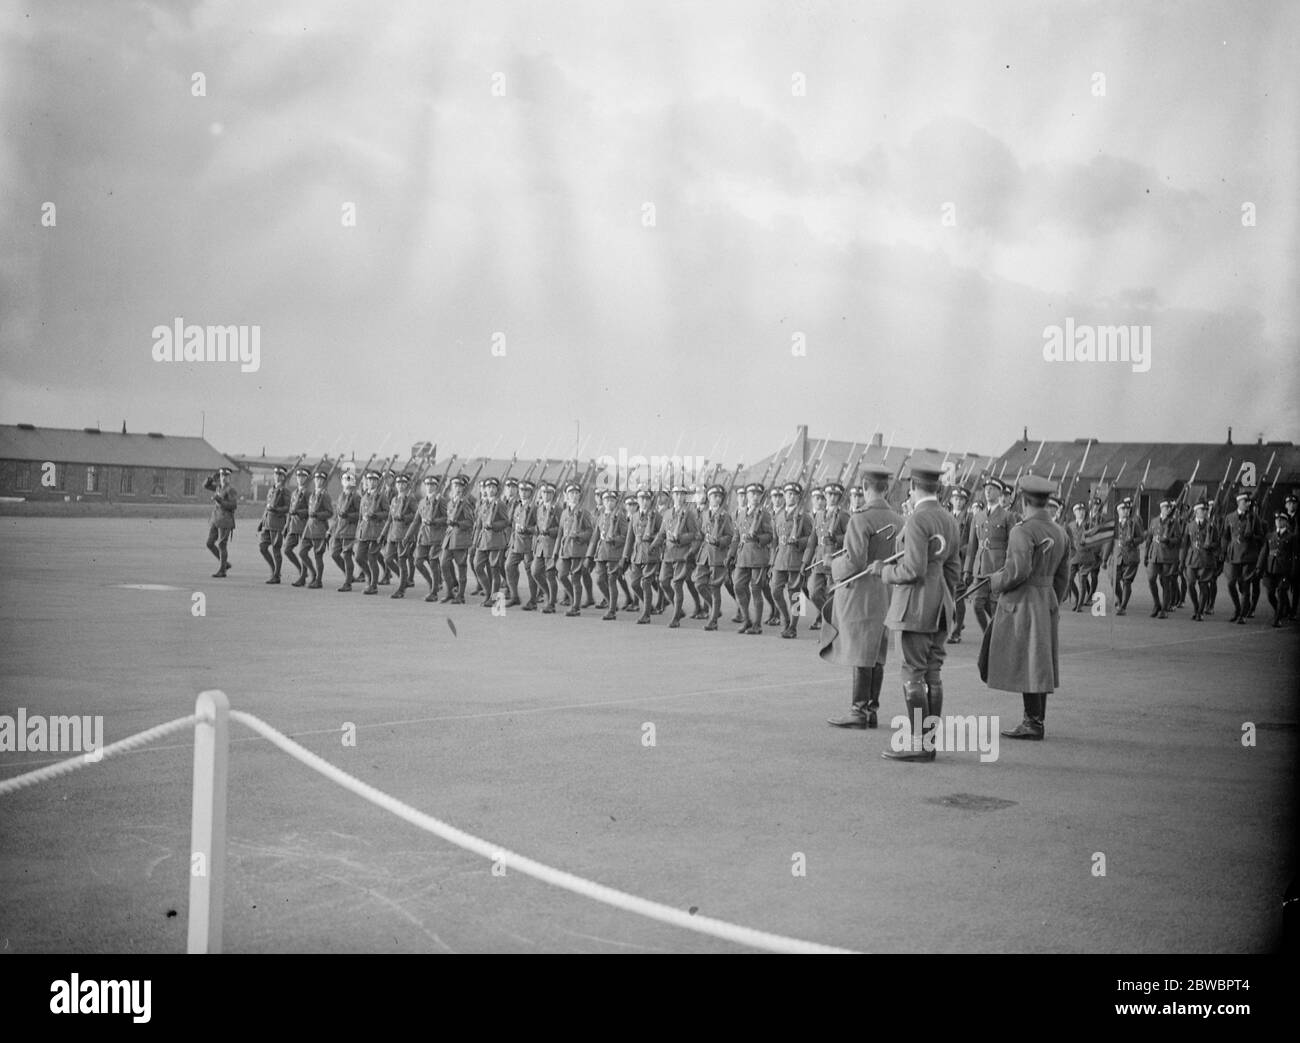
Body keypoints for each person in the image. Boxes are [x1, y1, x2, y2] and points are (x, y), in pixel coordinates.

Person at [867, 463, 961, 762]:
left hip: (915, 606)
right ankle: (928, 743)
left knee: (912, 673)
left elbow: (913, 569)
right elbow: (954, 570)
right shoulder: (948, 519)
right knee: (932, 672)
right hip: (941, 604)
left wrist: (884, 570)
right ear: (938, 488)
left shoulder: (918, 519)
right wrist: (943, 596)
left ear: (912, 488)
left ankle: (920, 744)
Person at [985, 475, 1071, 741]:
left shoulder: (1022, 531)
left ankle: (1033, 722)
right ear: (1046, 502)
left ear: (1024, 499)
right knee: (1039, 661)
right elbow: (1063, 577)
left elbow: (1017, 571)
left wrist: (994, 581)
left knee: (1029, 662)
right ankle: (1035, 720)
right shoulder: (1060, 531)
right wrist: (1050, 599)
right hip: (1046, 600)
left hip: (1024, 602)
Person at [822, 463, 903, 729]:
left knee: (859, 651)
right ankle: (871, 709)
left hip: (861, 593)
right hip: (885, 592)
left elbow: (854, 562)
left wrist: (831, 565)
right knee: (876, 652)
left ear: (865, 487)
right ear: (886, 488)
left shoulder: (861, 518)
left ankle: (858, 711)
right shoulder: (898, 518)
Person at [964, 478, 1017, 633]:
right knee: (977, 605)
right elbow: (972, 545)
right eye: (986, 488)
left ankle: (996, 637)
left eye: (992, 489)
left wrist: (1009, 568)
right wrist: (967, 569)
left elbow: (1012, 545)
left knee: (995, 606)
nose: (988, 491)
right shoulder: (978, 516)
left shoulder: (1007, 516)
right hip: (980, 568)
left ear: (1000, 493)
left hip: (997, 569)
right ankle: (989, 633)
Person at [651, 484, 701, 628]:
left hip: (682, 554)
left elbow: (695, 534)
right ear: (672, 496)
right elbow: (661, 533)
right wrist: (653, 545)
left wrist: (681, 538)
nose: (679, 497)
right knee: (663, 582)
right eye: (676, 494)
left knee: (677, 585)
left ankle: (676, 617)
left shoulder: (689, 513)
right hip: (668, 554)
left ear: (685, 496)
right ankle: (678, 609)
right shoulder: (667, 513)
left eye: (681, 494)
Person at [771, 482, 813, 638]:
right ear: (784, 495)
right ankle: (785, 617)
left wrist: (799, 542)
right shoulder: (778, 515)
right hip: (780, 560)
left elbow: (810, 539)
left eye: (794, 494)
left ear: (799, 497)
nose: (791, 496)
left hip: (796, 559)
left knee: (795, 595)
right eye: (788, 494)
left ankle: (793, 626)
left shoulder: (805, 517)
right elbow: (774, 540)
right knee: (775, 590)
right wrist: (771, 561)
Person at [693, 484, 735, 631]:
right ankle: (714, 609)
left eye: (719, 496)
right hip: (705, 555)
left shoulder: (725, 516)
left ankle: (713, 620)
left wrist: (719, 541)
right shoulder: (705, 514)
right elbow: (701, 531)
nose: (716, 499)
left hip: (718, 555)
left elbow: (730, 536)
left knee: (715, 587)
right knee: (698, 583)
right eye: (713, 496)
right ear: (709, 498)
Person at [732, 483, 773, 635]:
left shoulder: (765, 514)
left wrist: (758, 537)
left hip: (758, 555)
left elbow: (770, 535)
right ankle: (746, 619)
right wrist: (731, 554)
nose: (755, 496)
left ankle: (757, 624)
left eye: (757, 494)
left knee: (756, 590)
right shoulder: (741, 513)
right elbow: (736, 536)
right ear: (747, 495)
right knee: (737, 585)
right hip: (742, 556)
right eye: (751, 494)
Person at [808, 482, 849, 633]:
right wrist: (805, 561)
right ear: (824, 496)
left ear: (839, 497)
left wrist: (836, 539)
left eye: (835, 495)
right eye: (829, 494)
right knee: (813, 591)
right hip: (819, 560)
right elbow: (813, 540)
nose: (832, 497)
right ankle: (831, 619)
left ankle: (831, 627)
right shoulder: (819, 515)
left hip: (835, 559)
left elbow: (850, 537)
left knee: (832, 594)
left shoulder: (844, 516)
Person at [1219, 491, 1265, 624]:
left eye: (1249, 502)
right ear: (1239, 502)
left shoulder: (1254, 517)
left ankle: (1243, 615)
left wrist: (1253, 537)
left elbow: (1261, 537)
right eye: (1246, 502)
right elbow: (1225, 536)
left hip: (1249, 556)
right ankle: (1238, 609)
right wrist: (1223, 551)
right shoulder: (1230, 517)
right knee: (1230, 583)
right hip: (1233, 555)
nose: (1248, 504)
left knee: (1245, 585)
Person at [623, 487, 662, 624]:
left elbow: (661, 534)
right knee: (634, 584)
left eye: (647, 499)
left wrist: (652, 537)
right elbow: (629, 539)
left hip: (650, 553)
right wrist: (625, 557)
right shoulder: (634, 516)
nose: (644, 501)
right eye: (641, 499)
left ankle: (646, 614)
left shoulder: (656, 516)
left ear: (651, 500)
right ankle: (648, 606)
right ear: (638, 500)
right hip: (637, 555)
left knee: (645, 583)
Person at [590, 489, 629, 620]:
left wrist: (615, 540)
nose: (609, 503)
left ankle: (612, 610)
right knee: (600, 580)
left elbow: (625, 536)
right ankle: (611, 601)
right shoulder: (601, 515)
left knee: (612, 581)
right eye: (606, 500)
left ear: (615, 502)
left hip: (614, 553)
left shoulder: (620, 516)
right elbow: (596, 536)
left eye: (612, 500)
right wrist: (590, 554)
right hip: (601, 553)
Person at [408, 474, 448, 602]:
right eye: (427, 485)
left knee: (433, 563)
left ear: (436, 486)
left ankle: (434, 592)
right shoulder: (422, 502)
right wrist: (407, 536)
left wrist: (435, 521)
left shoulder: (441, 501)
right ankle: (432, 583)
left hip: (436, 537)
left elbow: (448, 518)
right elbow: (416, 521)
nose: (429, 487)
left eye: (432, 485)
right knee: (418, 562)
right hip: (424, 537)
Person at [556, 482, 594, 617]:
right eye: (571, 493)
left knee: (576, 578)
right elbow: (560, 532)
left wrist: (578, 536)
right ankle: (574, 598)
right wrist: (556, 551)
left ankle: (576, 607)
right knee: (561, 575)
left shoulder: (584, 512)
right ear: (566, 495)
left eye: (576, 493)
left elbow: (590, 531)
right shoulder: (564, 513)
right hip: (565, 550)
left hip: (578, 549)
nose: (574, 496)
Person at [440, 474, 475, 604]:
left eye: (460, 485)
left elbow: (470, 522)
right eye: (455, 485)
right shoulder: (451, 502)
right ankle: (450, 591)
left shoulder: (465, 503)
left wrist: (458, 523)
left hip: (460, 539)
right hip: (449, 538)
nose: (457, 488)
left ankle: (460, 595)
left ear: (464, 488)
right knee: (443, 564)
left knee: (461, 567)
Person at [527, 482, 562, 613]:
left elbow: (561, 529)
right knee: (535, 571)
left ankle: (551, 604)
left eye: (549, 493)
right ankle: (548, 595)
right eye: (544, 493)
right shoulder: (540, 508)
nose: (546, 495)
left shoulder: (557, 509)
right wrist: (533, 529)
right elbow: (537, 525)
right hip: (540, 546)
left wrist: (550, 531)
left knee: (550, 575)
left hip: (552, 546)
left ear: (553, 494)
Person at [1257, 512, 1295, 628]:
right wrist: (1259, 567)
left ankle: (1277, 618)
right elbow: (1264, 553)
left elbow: (1294, 555)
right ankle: (1281, 610)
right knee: (1270, 594)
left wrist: (1293, 571)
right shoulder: (1270, 536)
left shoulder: (1291, 537)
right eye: (1277, 519)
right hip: (1270, 570)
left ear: (1286, 522)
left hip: (1284, 570)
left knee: (1282, 593)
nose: (1278, 521)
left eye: (1281, 519)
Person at [1182, 499, 1218, 621]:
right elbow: (1185, 544)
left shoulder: (1211, 526)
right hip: (1192, 560)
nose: (1205, 511)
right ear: (1196, 511)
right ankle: (1196, 607)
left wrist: (1210, 546)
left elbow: (1217, 544)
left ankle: (1200, 612)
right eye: (1202, 509)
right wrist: (1182, 562)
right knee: (1190, 584)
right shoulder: (1189, 525)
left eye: (1206, 510)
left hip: (1206, 560)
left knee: (1203, 586)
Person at [504, 479, 537, 607]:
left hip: (529, 544)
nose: (523, 493)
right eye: (521, 490)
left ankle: (533, 600)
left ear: (531, 492)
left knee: (530, 572)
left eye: (526, 490)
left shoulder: (534, 507)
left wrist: (528, 529)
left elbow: (539, 527)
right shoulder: (518, 506)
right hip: (516, 544)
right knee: (509, 566)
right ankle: (514, 596)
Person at [1143, 499, 1179, 619]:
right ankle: (1157, 604)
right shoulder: (1154, 521)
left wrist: (1169, 540)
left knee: (1165, 583)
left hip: (1167, 556)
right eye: (1165, 507)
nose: (1167, 509)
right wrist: (1146, 554)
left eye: (1169, 508)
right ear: (1161, 508)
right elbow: (1149, 537)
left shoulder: (1174, 522)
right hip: (1154, 555)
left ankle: (1164, 609)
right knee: (1151, 579)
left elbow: (1179, 539)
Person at [356, 470, 389, 595]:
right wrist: (358, 531)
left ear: (377, 482)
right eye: (369, 480)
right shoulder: (364, 496)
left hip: (376, 531)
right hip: (364, 531)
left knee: (372, 558)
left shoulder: (382, 496)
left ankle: (373, 585)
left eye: (374, 480)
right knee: (359, 557)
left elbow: (387, 513)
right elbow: (360, 516)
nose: (371, 482)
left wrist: (376, 515)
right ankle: (369, 577)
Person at [300, 468, 334, 589]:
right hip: (309, 528)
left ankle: (318, 580)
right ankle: (313, 572)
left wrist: (318, 515)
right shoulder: (313, 494)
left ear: (324, 481)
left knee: (317, 555)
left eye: (320, 479)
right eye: (316, 479)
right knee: (302, 552)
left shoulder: (325, 495)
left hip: (319, 528)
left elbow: (330, 513)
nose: (318, 481)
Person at [946, 485, 972, 642]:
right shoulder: (947, 516)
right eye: (955, 499)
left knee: (959, 596)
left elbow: (972, 541)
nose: (958, 502)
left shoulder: (969, 518)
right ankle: (958, 621)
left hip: (961, 562)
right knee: (947, 595)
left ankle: (956, 633)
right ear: (951, 500)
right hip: (946, 562)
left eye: (961, 499)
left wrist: (961, 549)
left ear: (966, 502)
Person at [1110, 497, 1144, 615]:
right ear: (1118, 510)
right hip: (1118, 556)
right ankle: (1120, 599)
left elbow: (1141, 537)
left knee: (1127, 581)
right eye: (1123, 509)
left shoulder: (1134, 523)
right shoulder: (1114, 524)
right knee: (1113, 580)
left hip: (1131, 556)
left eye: (1127, 509)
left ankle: (1123, 607)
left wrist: (1133, 541)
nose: (1126, 511)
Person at [203, 466, 238, 578]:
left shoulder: (230, 490)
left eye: (226, 476)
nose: (223, 478)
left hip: (226, 520)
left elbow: (233, 506)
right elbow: (206, 486)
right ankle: (225, 564)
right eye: (222, 475)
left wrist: (220, 500)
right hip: (216, 519)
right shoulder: (218, 487)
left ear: (229, 478)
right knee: (209, 543)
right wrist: (211, 478)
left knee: (222, 545)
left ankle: (222, 570)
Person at [258, 465, 290, 583]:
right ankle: (274, 569)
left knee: (276, 550)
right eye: (275, 474)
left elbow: (288, 508)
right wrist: (262, 521)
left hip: (277, 523)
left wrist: (277, 509)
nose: (277, 477)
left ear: (283, 477)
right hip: (267, 523)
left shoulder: (285, 491)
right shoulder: (271, 490)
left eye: (279, 475)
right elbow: (267, 507)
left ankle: (276, 576)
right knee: (262, 547)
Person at [331, 470, 361, 591]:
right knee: (334, 554)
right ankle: (349, 575)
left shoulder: (356, 497)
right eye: (345, 481)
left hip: (349, 529)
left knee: (347, 556)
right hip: (339, 529)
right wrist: (331, 529)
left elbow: (360, 514)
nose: (347, 483)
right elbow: (337, 515)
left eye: (349, 481)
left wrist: (348, 516)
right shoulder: (341, 496)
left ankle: (348, 583)